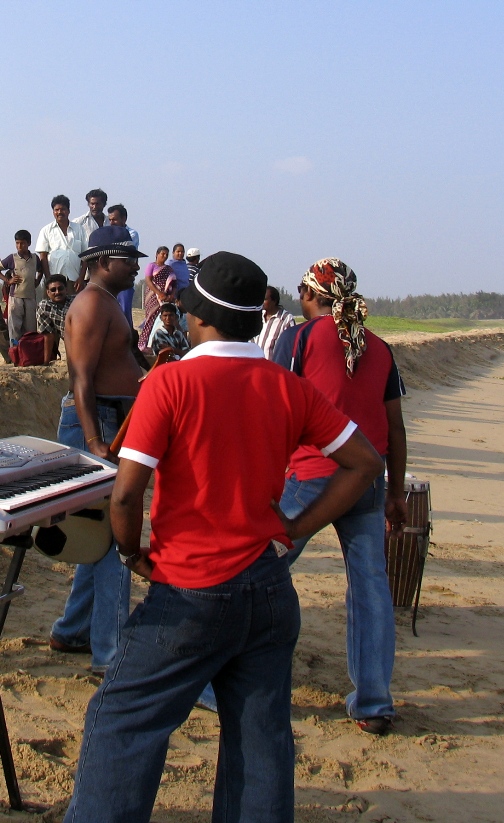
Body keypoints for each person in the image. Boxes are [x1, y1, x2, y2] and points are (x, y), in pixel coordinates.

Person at [62, 251, 383, 823]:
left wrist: (133, 551)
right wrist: (294, 528)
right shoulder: (287, 386)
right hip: (267, 588)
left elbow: (127, 493)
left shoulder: (170, 381)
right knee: (259, 744)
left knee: (121, 721)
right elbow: (364, 463)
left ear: (196, 316)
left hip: (190, 591)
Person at [274, 257, 407, 736]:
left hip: (312, 475)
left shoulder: (301, 339)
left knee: (263, 566)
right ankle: (373, 701)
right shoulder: (381, 348)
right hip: (367, 480)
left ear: (312, 295)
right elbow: (394, 427)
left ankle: (223, 679)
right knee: (370, 586)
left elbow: (277, 407)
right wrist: (395, 490)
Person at [49, 226, 148, 676]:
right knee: (113, 538)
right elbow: (81, 378)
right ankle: (111, 654)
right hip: (100, 423)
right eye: (129, 260)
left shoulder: (108, 303)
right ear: (104, 262)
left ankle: (72, 629)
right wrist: (95, 443)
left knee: (98, 535)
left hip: (113, 420)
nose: (136, 267)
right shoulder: (90, 304)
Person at [35, 195, 88, 293]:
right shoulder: (46, 230)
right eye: (56, 209)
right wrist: (48, 280)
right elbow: (43, 257)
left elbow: (85, 257)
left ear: (68, 211)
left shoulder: (79, 229)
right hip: (54, 282)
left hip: (75, 281)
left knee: (75, 307)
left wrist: (81, 278)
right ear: (53, 211)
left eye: (63, 209)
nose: (59, 212)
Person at [2, 230, 44, 342]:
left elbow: (41, 270)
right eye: (17, 243)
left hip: (30, 297)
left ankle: (28, 354)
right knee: (14, 328)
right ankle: (15, 352)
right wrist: (8, 280)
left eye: (22, 243)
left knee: (30, 328)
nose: (19, 246)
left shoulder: (35, 258)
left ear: (29, 243)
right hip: (15, 297)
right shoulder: (12, 258)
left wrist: (38, 281)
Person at [107, 204, 140, 326]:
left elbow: (124, 252)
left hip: (125, 279)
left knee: (125, 313)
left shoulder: (132, 234)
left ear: (124, 219)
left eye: (114, 219)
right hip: (111, 279)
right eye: (110, 220)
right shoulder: (108, 233)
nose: (111, 223)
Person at [138, 248, 175, 349]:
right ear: (157, 254)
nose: (164, 256)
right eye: (162, 254)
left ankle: (155, 343)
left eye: (166, 254)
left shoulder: (169, 269)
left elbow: (174, 282)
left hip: (165, 298)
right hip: (153, 296)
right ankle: (143, 344)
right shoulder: (151, 266)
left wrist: (171, 295)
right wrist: (158, 293)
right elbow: (148, 281)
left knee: (160, 320)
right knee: (150, 318)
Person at [36, 275, 74, 362]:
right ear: (48, 292)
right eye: (53, 290)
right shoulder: (44, 307)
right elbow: (48, 334)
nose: (57, 292)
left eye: (60, 289)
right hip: (71, 344)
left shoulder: (77, 301)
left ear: (66, 289)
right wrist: (46, 362)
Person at [253, 285, 296, 360]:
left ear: (274, 301)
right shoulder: (258, 316)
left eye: (265, 299)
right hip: (257, 367)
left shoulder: (286, 319)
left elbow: (292, 346)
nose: (261, 302)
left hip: (275, 368)